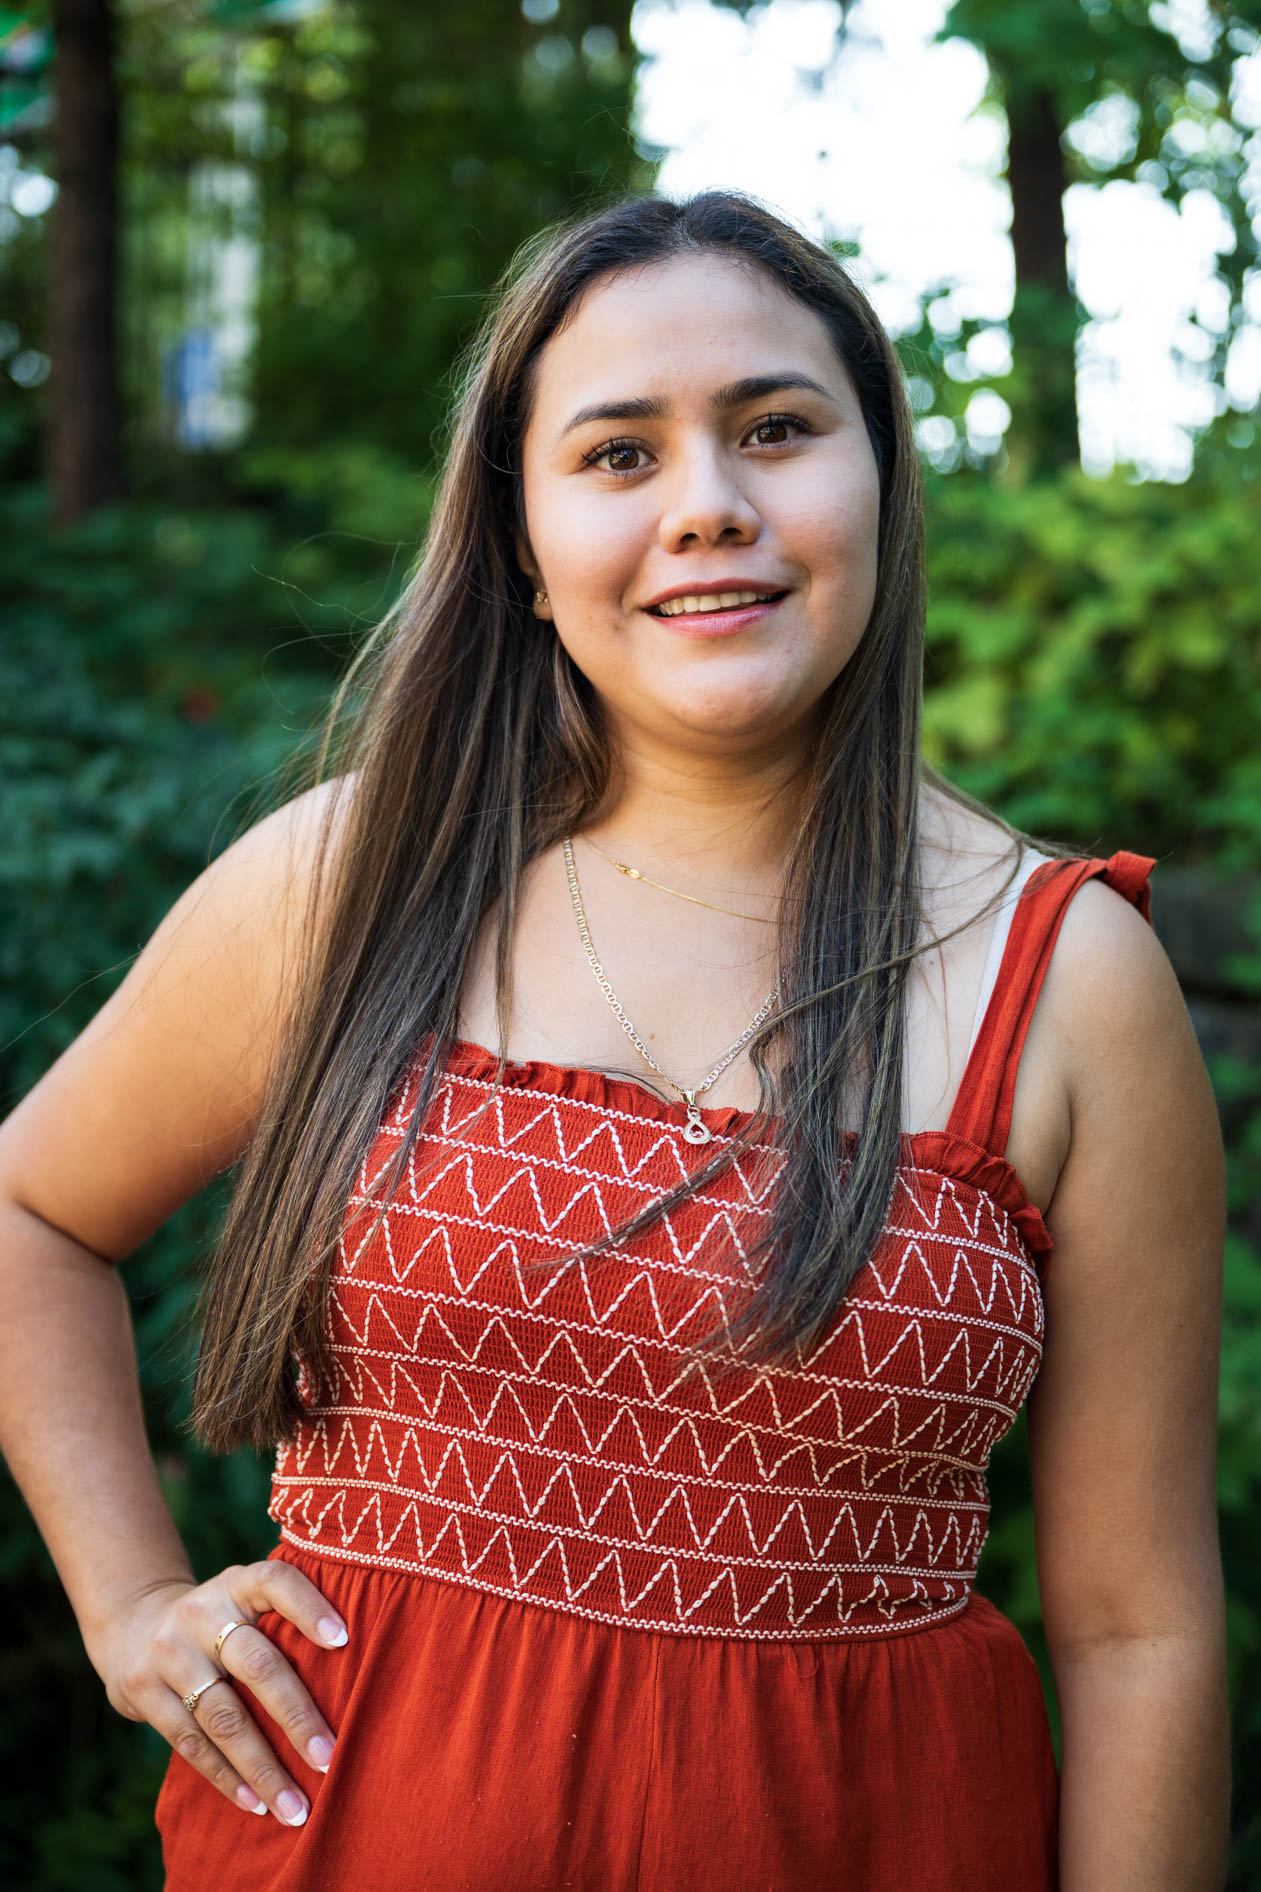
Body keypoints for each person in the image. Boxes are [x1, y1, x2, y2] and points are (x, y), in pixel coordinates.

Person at [0, 190, 1230, 1891]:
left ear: (877, 478)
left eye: (776, 431)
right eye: (617, 455)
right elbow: (32, 1216)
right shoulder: (360, 881)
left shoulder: (1071, 981)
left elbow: (1134, 1627)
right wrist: (131, 1602)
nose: (708, 507)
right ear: (519, 532)